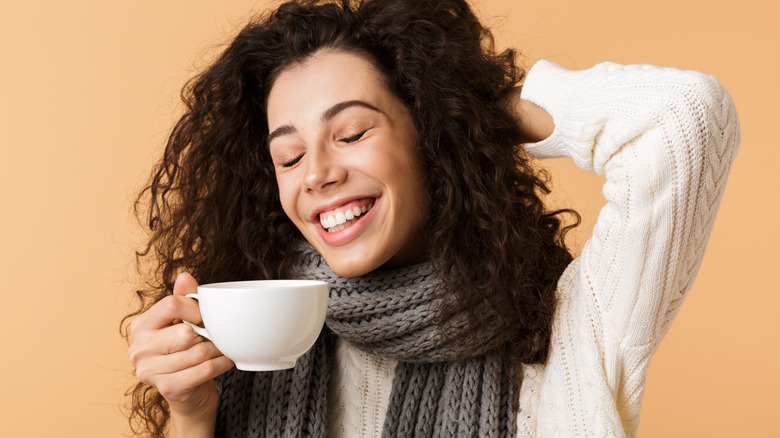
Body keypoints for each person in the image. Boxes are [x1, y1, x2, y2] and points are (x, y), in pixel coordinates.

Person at [122, 0, 740, 436]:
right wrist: (192, 413)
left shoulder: (570, 325)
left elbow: (684, 116)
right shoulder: (258, 337)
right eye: (287, 156)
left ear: (429, 135)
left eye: (353, 131)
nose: (315, 173)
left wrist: (467, 107)